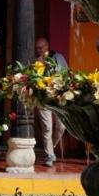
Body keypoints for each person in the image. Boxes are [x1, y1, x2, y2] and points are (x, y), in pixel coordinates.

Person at [34, 37, 67, 166]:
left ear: (47, 46)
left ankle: (50, 147)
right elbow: (33, 80)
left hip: (58, 97)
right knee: (47, 127)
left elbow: (65, 74)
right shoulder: (35, 61)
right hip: (43, 98)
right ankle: (50, 154)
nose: (38, 50)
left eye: (40, 47)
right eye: (37, 48)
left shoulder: (58, 57)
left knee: (61, 127)